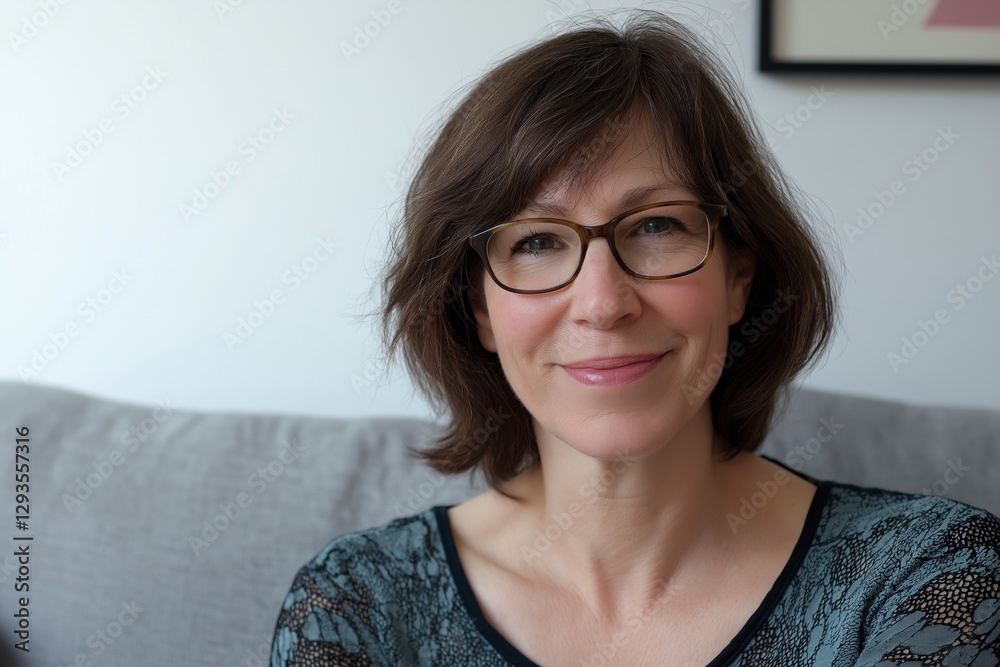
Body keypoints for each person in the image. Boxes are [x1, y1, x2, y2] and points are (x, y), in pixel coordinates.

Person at [270, 10, 1000, 666]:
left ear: (739, 278)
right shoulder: (356, 605)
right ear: (479, 309)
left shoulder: (932, 574)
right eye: (536, 241)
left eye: (656, 226)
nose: (602, 303)